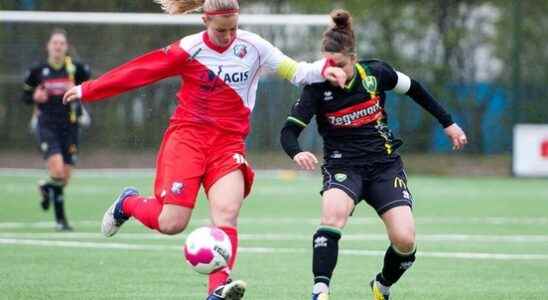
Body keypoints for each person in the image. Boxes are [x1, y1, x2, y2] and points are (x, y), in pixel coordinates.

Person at [63, 1, 346, 299]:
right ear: (205, 21)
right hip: (187, 140)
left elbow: (297, 71)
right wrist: (88, 89)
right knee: (172, 223)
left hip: (228, 145)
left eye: (233, 28)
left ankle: (218, 289)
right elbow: (140, 71)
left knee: (227, 212)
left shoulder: (254, 46)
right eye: (221, 30)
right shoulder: (188, 49)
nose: (228, 36)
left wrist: (327, 69)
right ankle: (129, 203)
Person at [280, 9, 468, 300]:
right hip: (344, 166)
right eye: (328, 63)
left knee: (405, 241)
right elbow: (289, 132)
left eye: (340, 64)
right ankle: (320, 290)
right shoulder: (315, 87)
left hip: (385, 166)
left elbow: (416, 89)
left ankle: (381, 286)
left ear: (353, 59)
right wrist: (297, 153)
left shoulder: (377, 73)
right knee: (332, 217)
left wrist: (448, 123)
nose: (333, 70)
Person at [22, 28, 91, 231]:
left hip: (70, 127)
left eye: (61, 43)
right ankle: (61, 222)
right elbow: (24, 97)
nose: (58, 47)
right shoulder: (37, 71)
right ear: (48, 47)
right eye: (55, 43)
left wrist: (80, 98)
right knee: (58, 171)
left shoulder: (75, 69)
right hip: (47, 126)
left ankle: (45, 187)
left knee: (64, 177)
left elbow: (88, 84)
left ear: (66, 47)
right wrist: (34, 96)